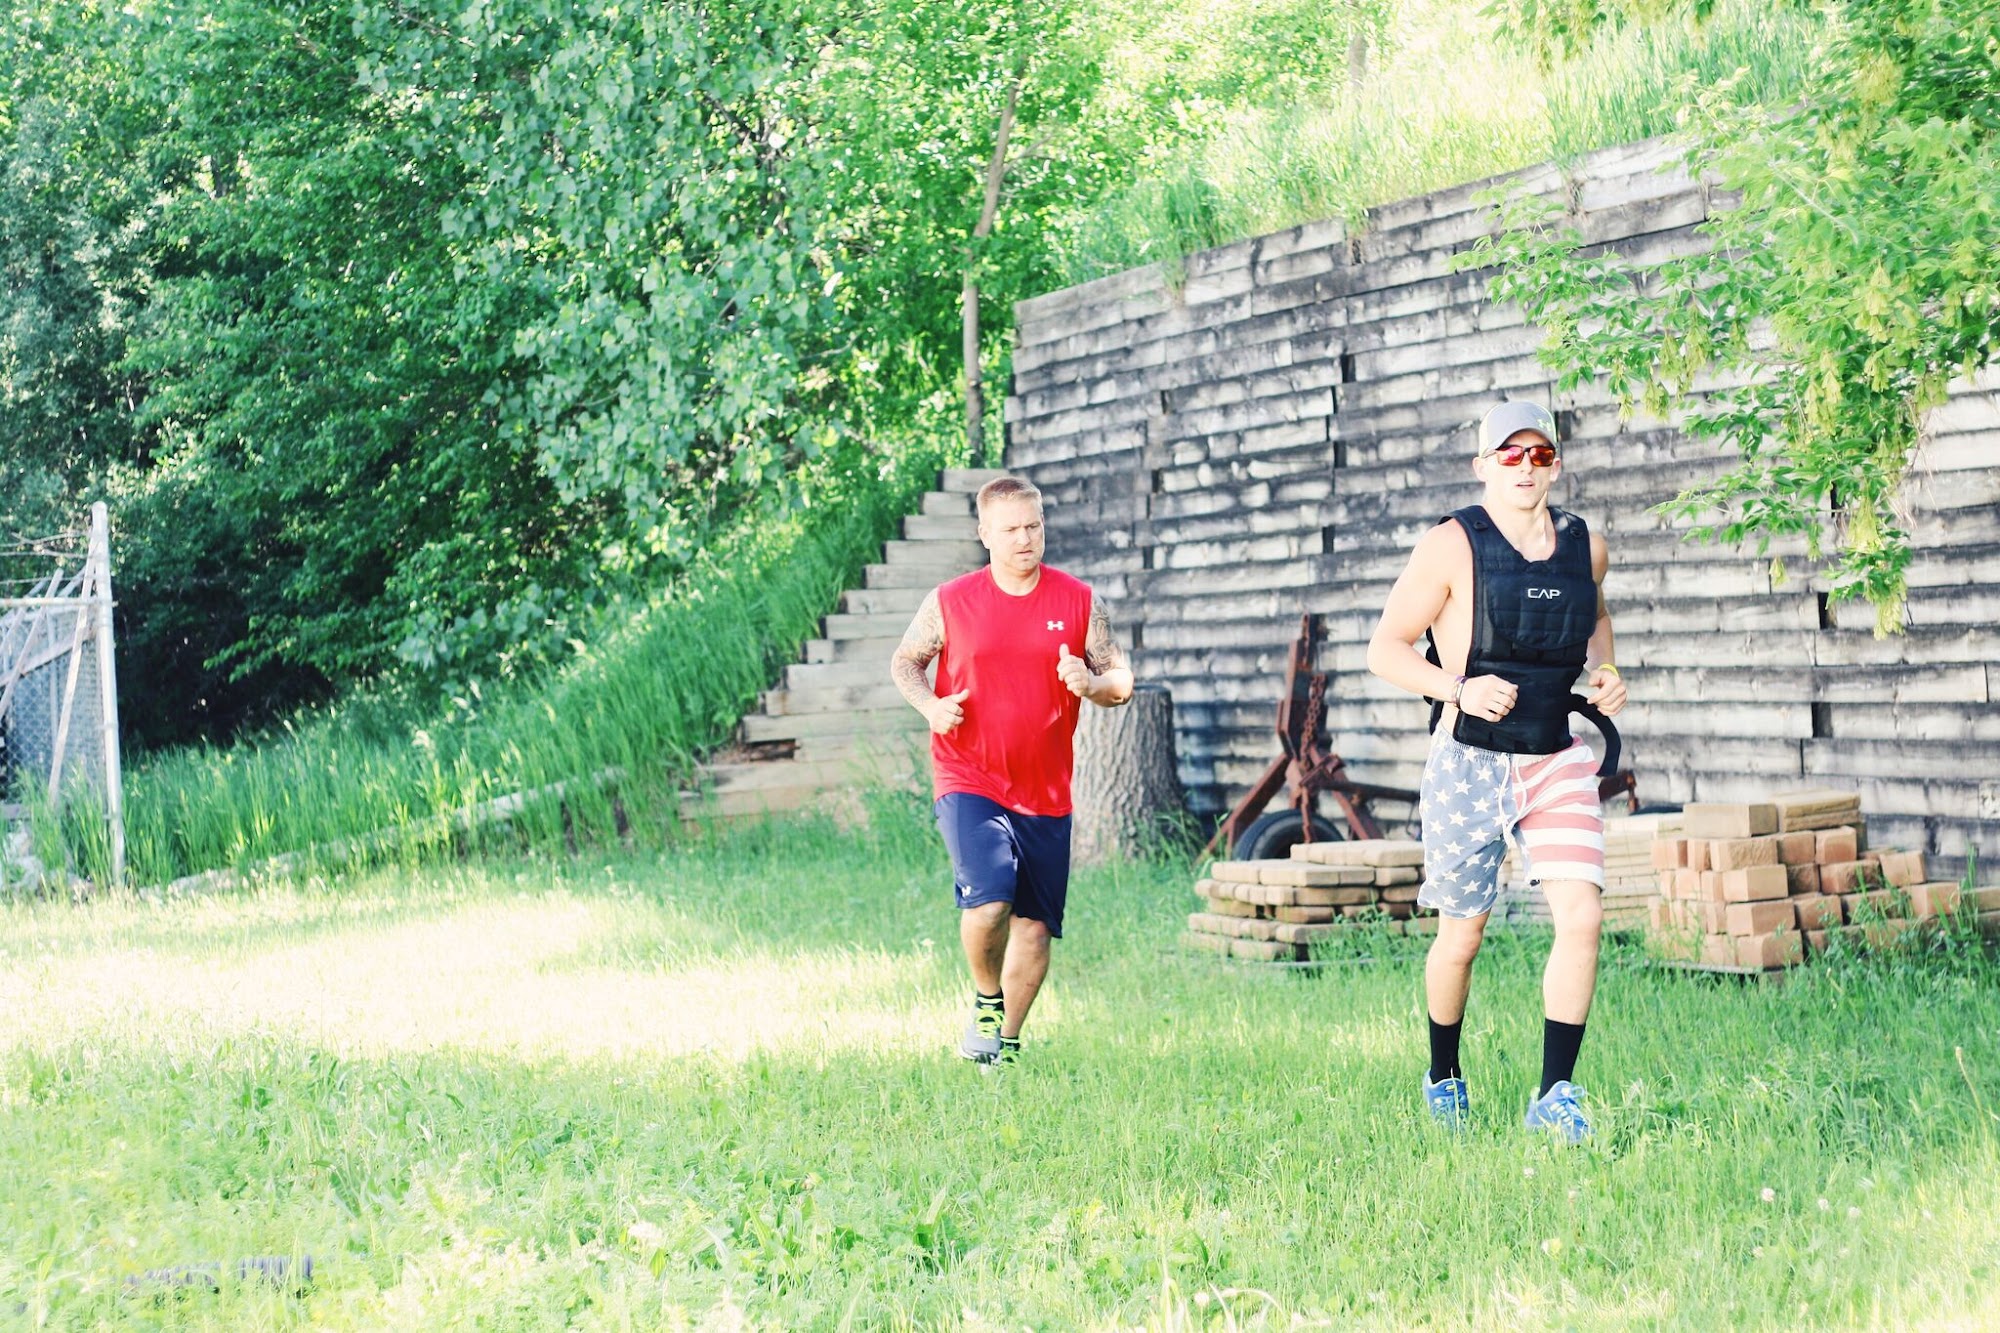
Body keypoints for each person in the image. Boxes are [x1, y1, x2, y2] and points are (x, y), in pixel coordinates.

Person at [1366, 400, 1628, 1142]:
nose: (1525, 467)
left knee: (1583, 917)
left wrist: (1607, 670)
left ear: (1556, 465)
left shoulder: (1585, 546)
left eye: (1539, 454)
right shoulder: (1451, 544)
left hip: (1555, 758)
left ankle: (1555, 1094)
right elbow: (1385, 649)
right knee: (1462, 936)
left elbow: (1596, 617)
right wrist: (1457, 688)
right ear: (1482, 465)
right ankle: (1443, 1074)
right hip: (1469, 763)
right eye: (1509, 455)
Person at [890, 476, 1134, 1069]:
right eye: (1010, 529)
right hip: (968, 775)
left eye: (1033, 525)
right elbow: (906, 662)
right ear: (985, 534)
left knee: (1034, 928)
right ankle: (986, 1000)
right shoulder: (950, 600)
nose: (1025, 538)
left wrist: (1091, 684)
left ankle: (1007, 1044)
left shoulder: (1079, 601)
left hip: (1044, 790)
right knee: (990, 900)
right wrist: (931, 707)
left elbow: (1121, 682)